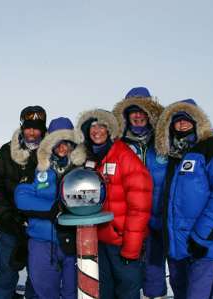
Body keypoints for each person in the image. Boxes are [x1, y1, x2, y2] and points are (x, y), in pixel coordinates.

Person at [155, 99, 213, 299]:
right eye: (177, 120)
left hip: (208, 246)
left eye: (188, 119)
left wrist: (202, 236)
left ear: (198, 121)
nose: (182, 124)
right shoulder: (173, 155)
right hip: (180, 246)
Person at [76, 109, 153, 299]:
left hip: (122, 242)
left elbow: (139, 207)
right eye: (92, 127)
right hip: (99, 240)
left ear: (110, 130)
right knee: (105, 291)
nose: (97, 131)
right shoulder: (91, 159)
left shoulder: (125, 158)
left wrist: (131, 248)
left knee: (127, 291)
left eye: (102, 126)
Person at [14, 117, 86, 299]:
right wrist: (53, 207)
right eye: (57, 143)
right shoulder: (37, 166)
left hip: (75, 241)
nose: (62, 148)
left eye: (67, 143)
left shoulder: (83, 168)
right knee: (44, 289)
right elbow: (21, 197)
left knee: (74, 291)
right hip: (42, 240)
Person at [0, 106, 47, 299]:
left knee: (39, 275)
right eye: (28, 127)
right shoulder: (6, 152)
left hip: (41, 227)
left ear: (43, 129)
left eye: (36, 127)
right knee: (5, 271)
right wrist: (5, 215)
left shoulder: (52, 153)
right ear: (21, 127)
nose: (31, 131)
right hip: (10, 226)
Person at [113, 87, 168, 299]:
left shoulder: (163, 140)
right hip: (127, 218)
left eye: (142, 110)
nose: (137, 115)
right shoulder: (117, 142)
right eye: (132, 111)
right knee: (127, 267)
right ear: (125, 115)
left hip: (156, 216)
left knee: (154, 267)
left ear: (151, 114)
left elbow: (196, 133)